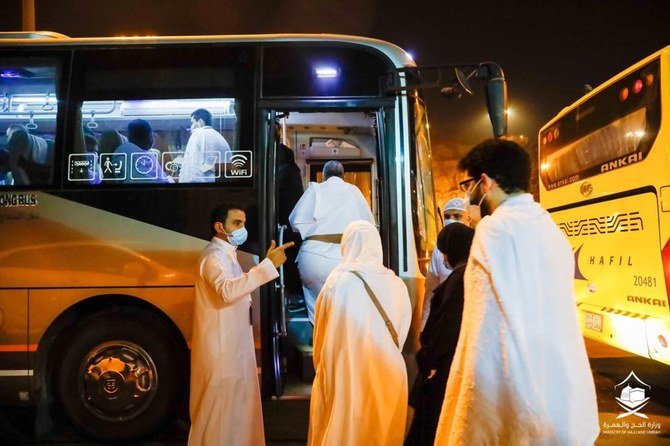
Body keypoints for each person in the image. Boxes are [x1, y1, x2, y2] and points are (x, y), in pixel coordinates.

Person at [434, 139, 599, 445]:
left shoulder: (494, 230)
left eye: (470, 185)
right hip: (560, 389)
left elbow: (482, 330)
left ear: (486, 182)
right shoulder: (550, 228)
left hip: (511, 395)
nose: (469, 193)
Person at [189, 203, 294, 446]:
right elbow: (227, 291)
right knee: (219, 413)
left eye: (244, 223)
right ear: (219, 227)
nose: (242, 229)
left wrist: (266, 265)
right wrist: (267, 266)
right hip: (221, 350)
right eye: (237, 223)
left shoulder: (227, 255)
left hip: (232, 347)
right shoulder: (213, 257)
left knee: (235, 410)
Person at [308, 220, 412, 446]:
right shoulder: (396, 282)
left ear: (347, 245)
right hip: (389, 371)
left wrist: (323, 370)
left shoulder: (337, 282)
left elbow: (322, 335)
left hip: (348, 374)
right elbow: (401, 334)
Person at [406, 222, 475, 446]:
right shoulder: (470, 275)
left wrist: (427, 358)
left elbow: (445, 328)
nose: (443, 258)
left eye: (445, 251)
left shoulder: (458, 280)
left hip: (445, 371)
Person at [289, 160, 375, 324]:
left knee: (318, 309)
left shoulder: (315, 189)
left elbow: (295, 222)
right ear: (344, 176)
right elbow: (368, 224)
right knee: (346, 312)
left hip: (314, 259)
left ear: (323, 176)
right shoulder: (354, 191)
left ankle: (319, 341)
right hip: (347, 259)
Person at [421, 197, 470, 330]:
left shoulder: (478, 246)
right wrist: (423, 328)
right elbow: (430, 294)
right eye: (447, 216)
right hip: (447, 323)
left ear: (468, 219)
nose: (450, 220)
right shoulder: (439, 250)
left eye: (457, 216)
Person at [276, 143, 304, 295]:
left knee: (288, 258)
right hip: (292, 224)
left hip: (286, 223)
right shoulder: (294, 170)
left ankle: (291, 291)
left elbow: (276, 194)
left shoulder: (285, 171)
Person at [179, 108, 231, 183]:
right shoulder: (219, 137)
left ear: (200, 122)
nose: (191, 127)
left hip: (201, 187)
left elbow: (192, 165)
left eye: (192, 123)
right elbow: (210, 164)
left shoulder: (198, 133)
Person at [114, 119, 172, 183]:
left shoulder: (145, 151)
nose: (153, 140)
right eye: (151, 135)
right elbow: (140, 182)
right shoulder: (128, 153)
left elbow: (157, 174)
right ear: (146, 136)